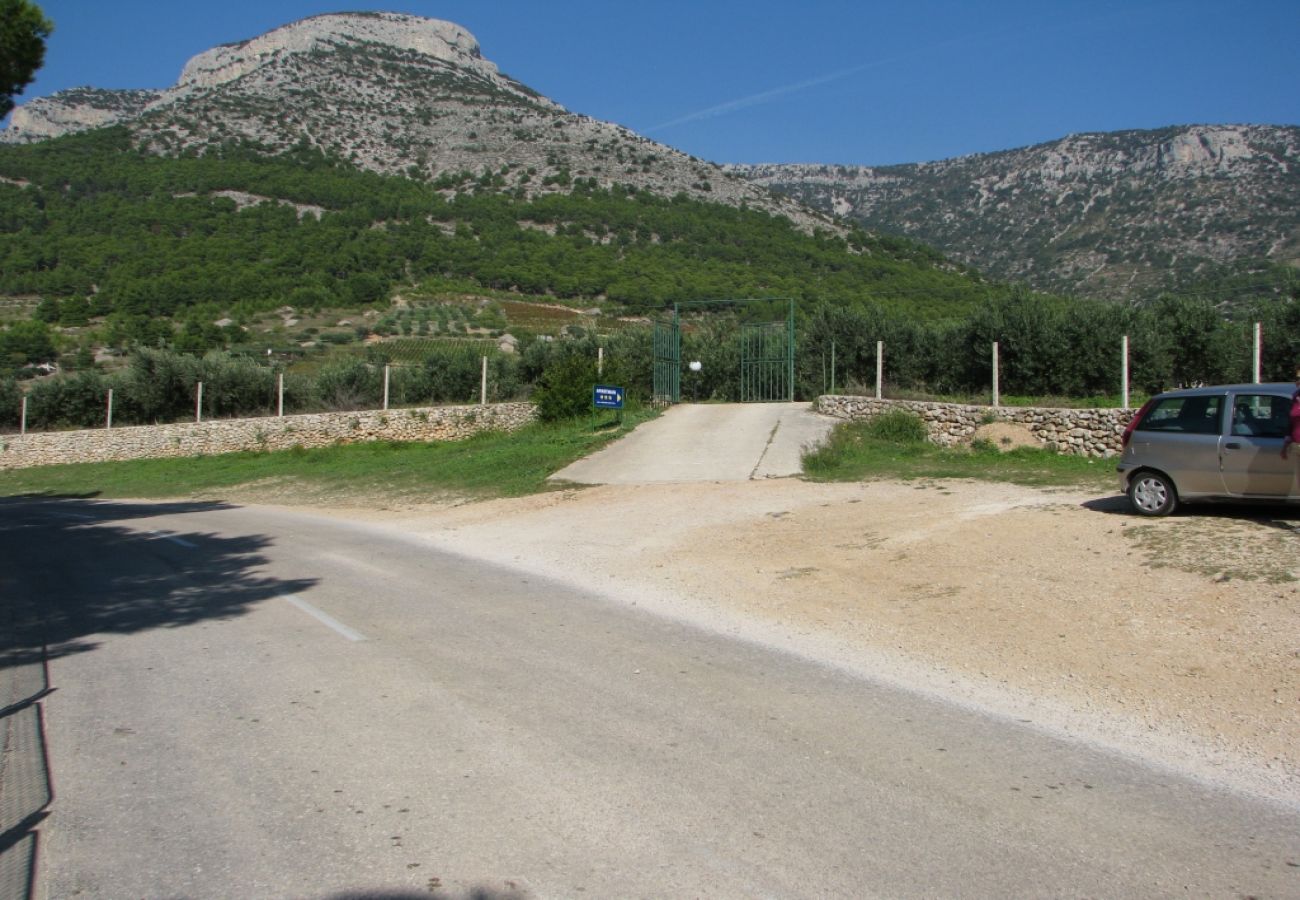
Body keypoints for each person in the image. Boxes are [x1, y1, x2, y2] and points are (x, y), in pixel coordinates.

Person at [1284, 370, 1300, 459]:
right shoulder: (1295, 396)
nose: (1297, 381)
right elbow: (1291, 422)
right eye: (1297, 379)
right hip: (1296, 444)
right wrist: (1286, 444)